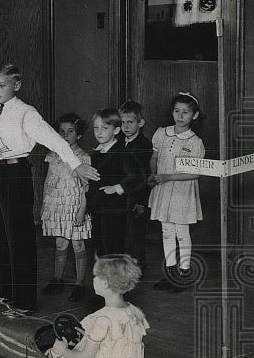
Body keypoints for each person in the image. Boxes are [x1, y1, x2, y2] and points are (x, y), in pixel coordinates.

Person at [0, 63, 99, 314]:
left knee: (19, 237)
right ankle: (1, 292)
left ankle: (25, 300)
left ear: (16, 85)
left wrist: (76, 165)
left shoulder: (27, 113)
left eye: (2, 85)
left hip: (16, 174)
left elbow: (55, 140)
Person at [47, 254, 149, 358]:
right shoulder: (134, 311)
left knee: (52, 353)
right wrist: (88, 336)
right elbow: (118, 342)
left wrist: (63, 351)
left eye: (95, 276)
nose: (93, 279)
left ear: (105, 283)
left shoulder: (103, 318)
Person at [148, 92, 205, 290]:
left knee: (182, 232)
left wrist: (168, 177)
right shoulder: (162, 133)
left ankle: (184, 271)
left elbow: (195, 173)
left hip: (182, 191)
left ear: (194, 116)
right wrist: (154, 174)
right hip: (163, 189)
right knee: (166, 231)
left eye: (186, 112)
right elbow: (154, 157)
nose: (180, 116)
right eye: (177, 111)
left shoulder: (195, 142)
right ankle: (170, 272)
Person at [86, 109, 146, 287]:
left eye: (104, 128)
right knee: (101, 247)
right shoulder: (97, 152)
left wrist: (117, 188)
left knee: (114, 248)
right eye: (96, 128)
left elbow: (139, 177)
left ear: (116, 130)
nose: (98, 132)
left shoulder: (122, 152)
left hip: (115, 209)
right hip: (99, 208)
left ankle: (117, 286)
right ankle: (106, 284)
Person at [40, 113, 92, 299]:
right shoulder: (53, 156)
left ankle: (79, 283)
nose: (65, 135)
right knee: (60, 243)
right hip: (57, 206)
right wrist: (45, 204)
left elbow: (87, 188)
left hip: (76, 207)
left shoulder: (83, 158)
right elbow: (48, 181)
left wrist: (82, 210)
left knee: (78, 245)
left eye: (70, 131)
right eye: (61, 132)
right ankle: (57, 278)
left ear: (78, 135)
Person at [118, 100, 153, 270]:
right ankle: (123, 267)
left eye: (130, 122)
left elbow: (143, 176)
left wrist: (141, 202)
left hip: (136, 197)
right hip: (121, 196)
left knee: (136, 235)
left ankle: (138, 268)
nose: (125, 126)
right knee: (122, 234)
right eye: (122, 122)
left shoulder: (144, 145)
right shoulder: (118, 142)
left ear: (141, 123)